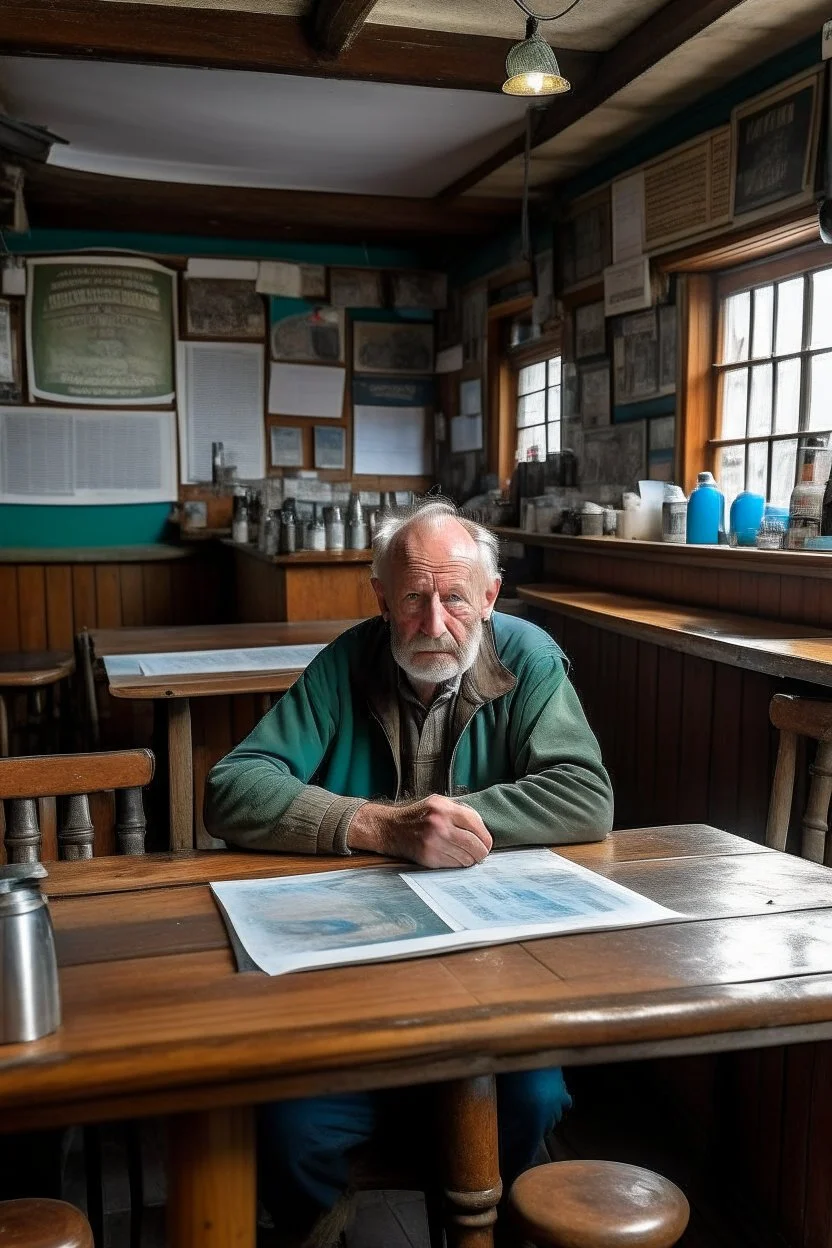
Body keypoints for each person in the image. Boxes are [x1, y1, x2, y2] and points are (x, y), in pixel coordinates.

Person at [205, 499, 614, 1246]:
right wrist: (381, 827)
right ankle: (322, 1223)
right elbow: (232, 787)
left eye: (455, 598)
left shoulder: (528, 657)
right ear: (382, 600)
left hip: (494, 978)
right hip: (351, 985)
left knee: (530, 1100)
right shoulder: (348, 660)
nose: (433, 624)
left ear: (488, 598)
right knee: (289, 1126)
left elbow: (585, 796)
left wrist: (455, 823)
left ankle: (478, 1220)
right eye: (413, 599)